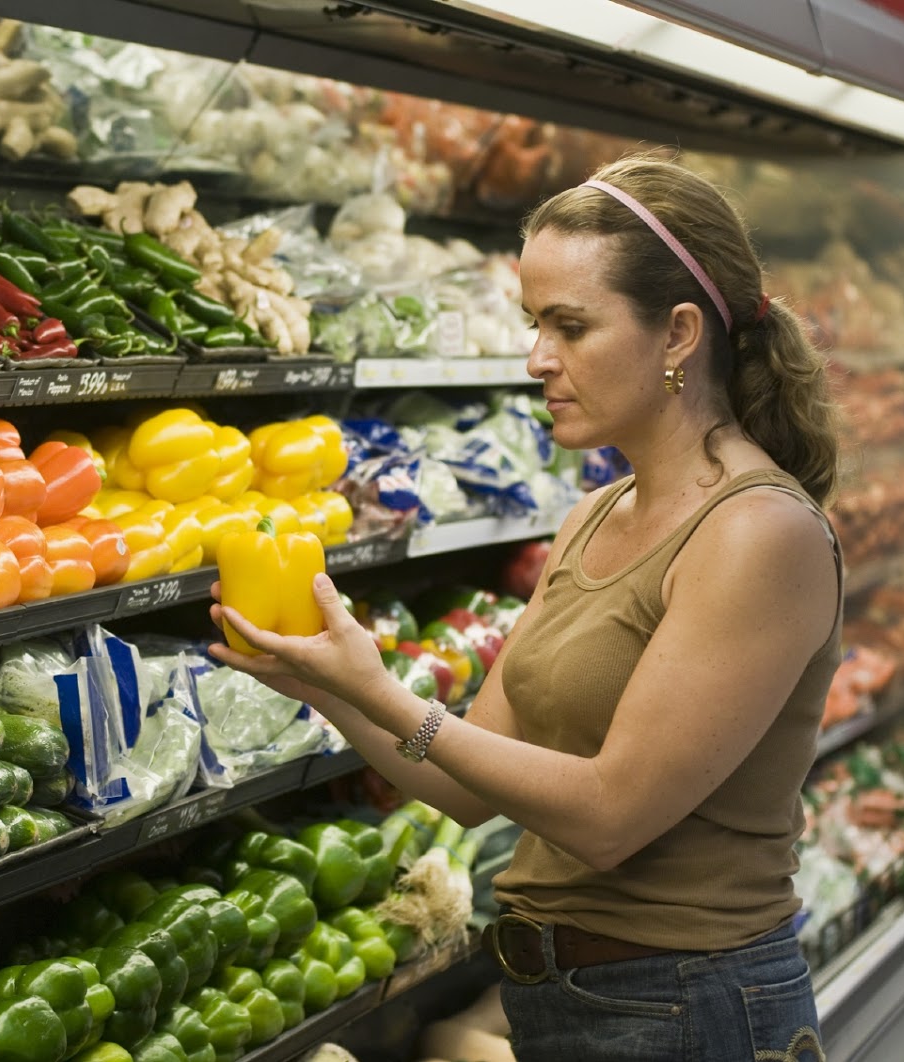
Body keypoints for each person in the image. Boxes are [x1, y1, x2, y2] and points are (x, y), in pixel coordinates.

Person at [209, 153, 841, 1062]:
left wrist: (384, 697)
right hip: (565, 1003)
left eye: (570, 326)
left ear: (678, 335)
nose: (537, 357)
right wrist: (327, 680)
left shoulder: (756, 534)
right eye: (533, 322)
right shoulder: (592, 516)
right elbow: (468, 788)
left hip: (691, 1011)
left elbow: (608, 814)